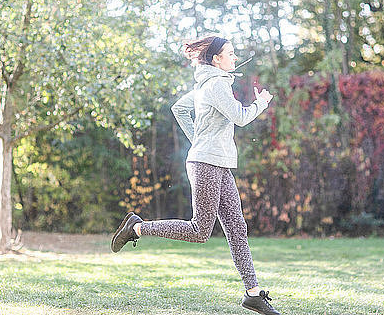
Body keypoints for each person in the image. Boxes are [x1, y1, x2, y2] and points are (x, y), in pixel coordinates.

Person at [111, 36, 280, 315]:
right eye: (230, 54)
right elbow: (240, 117)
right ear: (216, 59)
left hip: (217, 162)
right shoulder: (215, 85)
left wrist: (198, 140)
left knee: (237, 227)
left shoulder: (209, 84)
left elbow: (179, 108)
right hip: (206, 164)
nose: (234, 58)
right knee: (200, 231)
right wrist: (261, 102)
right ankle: (137, 228)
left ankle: (253, 294)